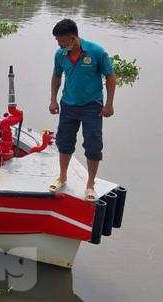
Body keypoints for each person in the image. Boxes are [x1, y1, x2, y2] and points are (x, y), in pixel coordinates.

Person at [48, 19, 116, 201]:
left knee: (93, 145)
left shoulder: (96, 52)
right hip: (68, 105)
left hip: (92, 106)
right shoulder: (60, 54)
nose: (60, 45)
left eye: (62, 41)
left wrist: (109, 104)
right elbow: (56, 76)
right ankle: (62, 176)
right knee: (64, 141)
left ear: (72, 38)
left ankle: (90, 184)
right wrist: (53, 100)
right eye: (57, 42)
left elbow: (110, 76)